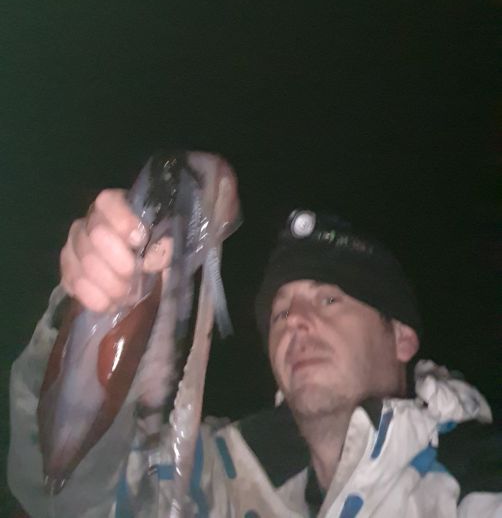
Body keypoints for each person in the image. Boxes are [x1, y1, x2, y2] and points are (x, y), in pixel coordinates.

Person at [8, 192, 502, 517]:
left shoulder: (478, 482)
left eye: (330, 300)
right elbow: (67, 496)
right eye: (280, 312)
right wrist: (90, 315)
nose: (295, 321)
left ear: (401, 339)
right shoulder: (217, 479)